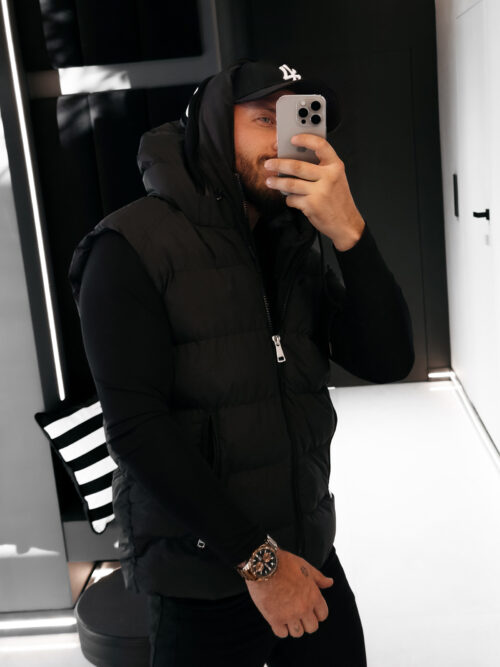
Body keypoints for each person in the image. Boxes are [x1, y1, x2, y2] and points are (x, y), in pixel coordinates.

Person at [68, 58, 414, 666]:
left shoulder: (292, 241)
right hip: (201, 582)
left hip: (308, 556)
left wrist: (351, 234)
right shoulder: (128, 247)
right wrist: (261, 564)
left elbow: (388, 360)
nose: (289, 139)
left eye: (300, 121)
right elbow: (137, 430)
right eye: (264, 119)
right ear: (209, 128)